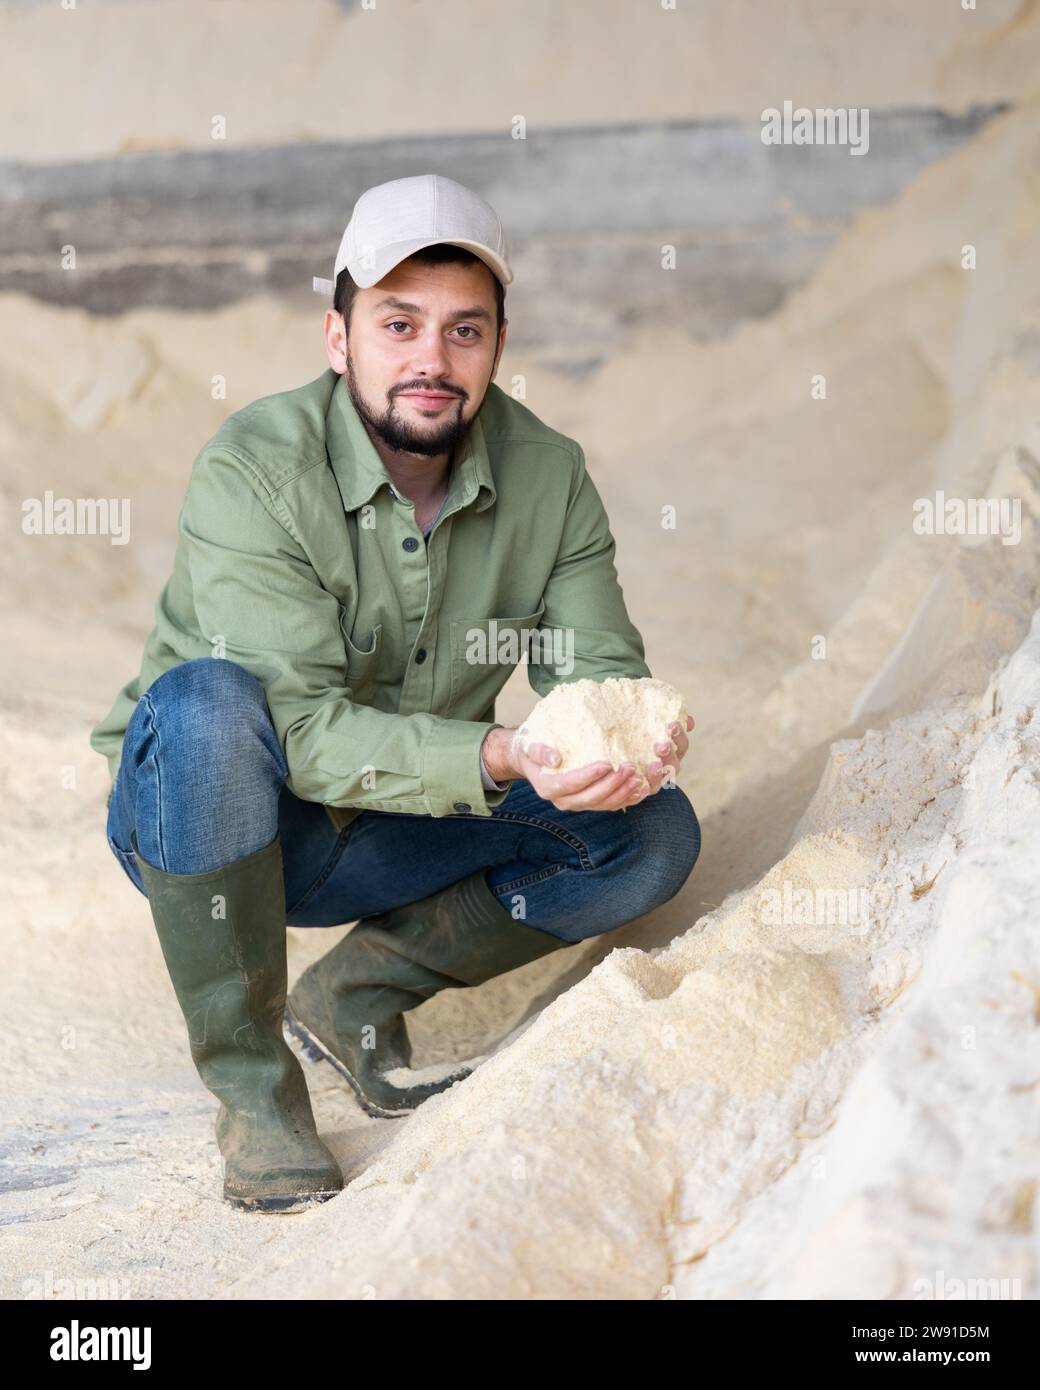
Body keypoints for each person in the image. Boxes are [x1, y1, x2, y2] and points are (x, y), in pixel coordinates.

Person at [90, 174, 701, 1214]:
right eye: (398, 323)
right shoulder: (252, 467)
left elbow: (589, 673)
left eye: (465, 329)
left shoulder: (547, 475)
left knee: (648, 835)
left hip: (397, 822)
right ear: (338, 339)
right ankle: (254, 1094)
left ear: (500, 343)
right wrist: (498, 755)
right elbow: (301, 724)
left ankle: (358, 990)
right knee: (205, 703)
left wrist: (622, 734)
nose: (432, 357)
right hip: (222, 815)